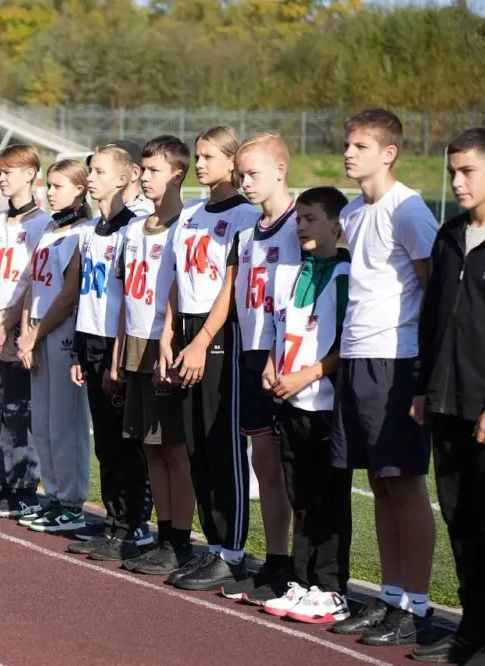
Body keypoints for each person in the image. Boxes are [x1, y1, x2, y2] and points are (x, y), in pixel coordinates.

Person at [327, 109, 438, 646]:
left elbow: (435, 291)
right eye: (347, 144)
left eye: (361, 146)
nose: (349, 153)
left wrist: (424, 378)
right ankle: (390, 596)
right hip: (356, 356)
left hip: (396, 359)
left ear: (389, 153)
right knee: (377, 479)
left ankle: (418, 605)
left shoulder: (409, 209)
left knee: (405, 481)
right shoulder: (352, 213)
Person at [409, 128, 485, 666]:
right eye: (452, 173)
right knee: (461, 524)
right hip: (446, 404)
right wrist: (424, 386)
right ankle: (471, 630)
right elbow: (433, 317)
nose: (457, 182)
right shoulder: (448, 236)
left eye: (467, 171)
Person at [166, 126, 258, 592]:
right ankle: (214, 543)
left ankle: (233, 550)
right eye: (197, 156)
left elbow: (231, 286)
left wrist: (202, 340)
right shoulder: (190, 214)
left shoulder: (246, 216)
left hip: (219, 333)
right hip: (186, 330)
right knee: (196, 446)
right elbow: (176, 278)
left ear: (231, 161)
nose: (199, 165)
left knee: (222, 443)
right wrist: (169, 336)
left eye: (208, 157)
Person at [254, 187, 353, 624]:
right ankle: (302, 579)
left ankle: (330, 587)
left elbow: (346, 345)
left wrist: (307, 375)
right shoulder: (293, 272)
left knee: (328, 498)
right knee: (300, 495)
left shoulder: (345, 274)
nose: (301, 226)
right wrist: (272, 364)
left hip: (325, 404)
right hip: (290, 401)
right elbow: (283, 328)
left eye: (311, 219)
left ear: (336, 225)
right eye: (299, 219)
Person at [219, 133, 298, 602]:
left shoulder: (300, 225)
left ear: (280, 170)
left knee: (294, 466)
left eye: (253, 173)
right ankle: (275, 560)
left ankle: (303, 569)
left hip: (289, 360)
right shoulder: (247, 233)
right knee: (263, 461)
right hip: (252, 356)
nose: (245, 182)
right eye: (240, 175)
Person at [56, 145, 145, 542]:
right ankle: (113, 519)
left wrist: (117, 357)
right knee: (105, 443)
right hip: (90, 341)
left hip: (116, 344)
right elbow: (84, 297)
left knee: (126, 441)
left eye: (99, 172)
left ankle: (133, 523)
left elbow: (128, 298)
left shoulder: (133, 229)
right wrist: (78, 350)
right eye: (89, 171)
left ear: (124, 179)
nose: (90, 178)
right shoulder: (90, 230)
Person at [118, 135, 196, 574]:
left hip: (164, 344)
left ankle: (180, 540)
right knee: (150, 447)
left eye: (153, 171)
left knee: (173, 448)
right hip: (135, 344)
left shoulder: (186, 226)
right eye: (143, 170)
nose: (144, 177)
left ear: (177, 175)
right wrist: (118, 351)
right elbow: (126, 294)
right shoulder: (134, 228)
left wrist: (173, 342)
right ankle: (162, 533)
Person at [0, 145, 50, 520]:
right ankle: (2, 481)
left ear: (31, 174)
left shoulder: (42, 224)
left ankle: (25, 488)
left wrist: (6, 325)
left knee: (19, 410)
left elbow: (34, 283)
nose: (2, 178)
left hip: (16, 324)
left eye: (9, 171)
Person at [13, 159, 91, 522]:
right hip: (37, 331)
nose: (51, 192)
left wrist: (36, 333)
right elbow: (34, 283)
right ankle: (54, 496)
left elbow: (69, 292)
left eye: (59, 186)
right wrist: (26, 331)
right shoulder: (50, 228)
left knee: (64, 422)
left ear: (80, 189)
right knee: (42, 421)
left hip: (61, 332)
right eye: (50, 185)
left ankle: (71, 502)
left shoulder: (82, 232)